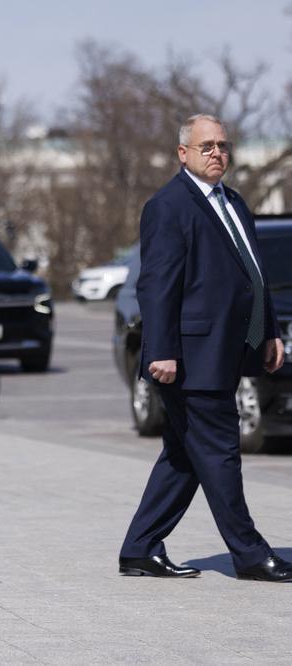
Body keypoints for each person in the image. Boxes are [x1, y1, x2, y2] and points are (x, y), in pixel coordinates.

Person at [119, 114, 290, 582]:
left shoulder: (233, 202)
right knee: (219, 450)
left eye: (222, 145)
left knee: (184, 455)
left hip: (226, 350)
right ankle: (250, 554)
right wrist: (160, 349)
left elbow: (255, 274)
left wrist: (270, 331)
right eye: (206, 146)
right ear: (183, 154)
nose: (217, 153)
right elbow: (156, 285)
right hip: (190, 356)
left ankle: (139, 549)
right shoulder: (168, 206)